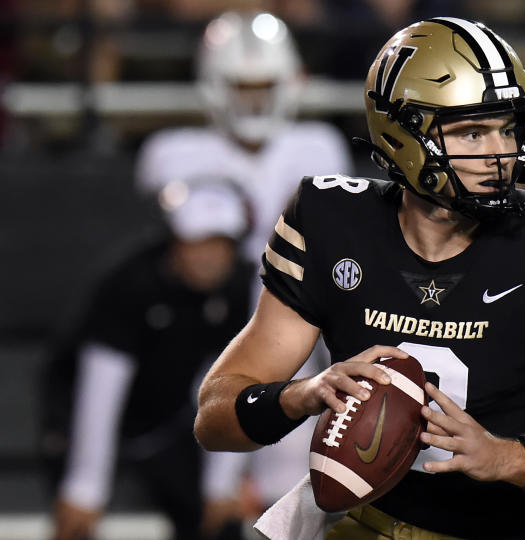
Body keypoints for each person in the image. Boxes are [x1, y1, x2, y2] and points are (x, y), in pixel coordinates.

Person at [193, 17, 525, 540]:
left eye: (508, 128)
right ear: (402, 134)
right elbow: (214, 417)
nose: (499, 153)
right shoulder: (332, 223)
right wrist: (302, 394)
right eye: (472, 132)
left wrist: (506, 455)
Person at [135, 10, 354, 513]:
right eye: (241, 86)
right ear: (214, 86)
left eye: (264, 86)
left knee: (296, 479)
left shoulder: (317, 146)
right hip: (204, 329)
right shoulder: (173, 153)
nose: (253, 100)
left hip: (297, 331)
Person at [52, 182, 254, 540]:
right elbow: (99, 391)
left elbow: (239, 379)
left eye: (220, 244)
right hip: (78, 416)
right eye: (197, 242)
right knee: (75, 520)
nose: (209, 256)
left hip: (170, 422)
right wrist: (85, 485)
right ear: (173, 242)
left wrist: (221, 484)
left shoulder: (243, 287)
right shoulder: (129, 284)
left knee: (218, 524)